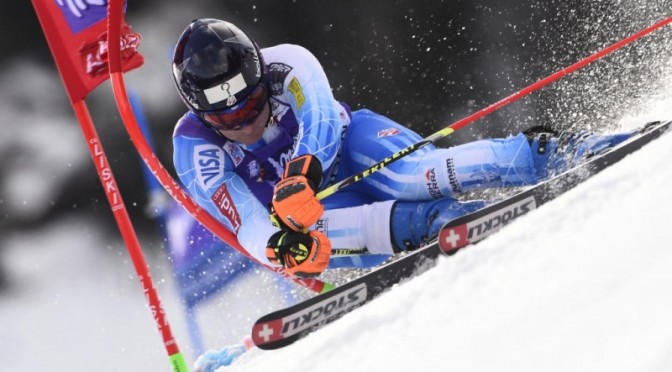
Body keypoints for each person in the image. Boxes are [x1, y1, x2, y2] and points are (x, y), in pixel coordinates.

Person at [171, 18, 634, 281]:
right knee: (316, 235)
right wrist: (280, 251)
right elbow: (244, 222)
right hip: (312, 212)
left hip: (352, 145)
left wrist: (302, 174)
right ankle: (440, 223)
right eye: (227, 119)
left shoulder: (285, 62)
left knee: (417, 176)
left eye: (252, 103)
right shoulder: (193, 147)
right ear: (202, 112)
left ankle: (553, 153)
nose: (246, 120)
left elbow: (321, 119)